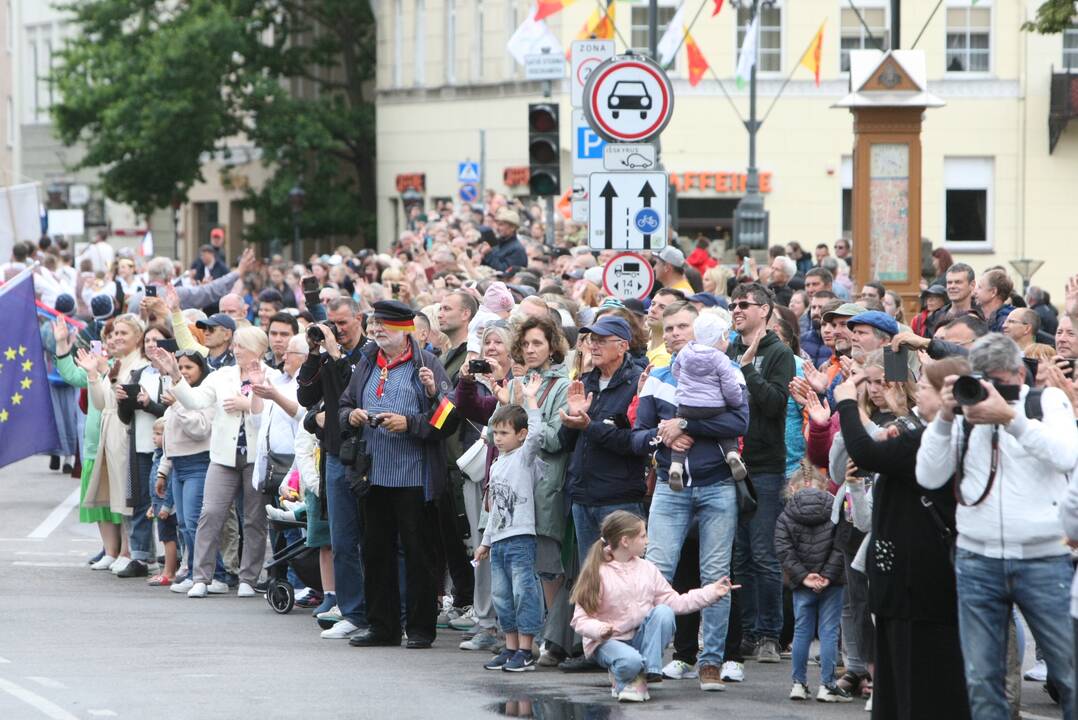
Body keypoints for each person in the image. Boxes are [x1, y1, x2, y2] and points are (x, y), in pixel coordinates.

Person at [917, 333, 1078, 719]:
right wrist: (943, 417)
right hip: (977, 559)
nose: (990, 389)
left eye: (1000, 381)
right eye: (983, 379)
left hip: (1043, 558)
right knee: (981, 679)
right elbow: (928, 475)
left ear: (1020, 374)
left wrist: (1011, 419)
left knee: (1069, 674)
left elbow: (1067, 455)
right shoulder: (963, 410)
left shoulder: (1044, 403)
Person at [632, 301, 750, 691]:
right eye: (669, 329)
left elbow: (740, 420)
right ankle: (646, 661)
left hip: (717, 486)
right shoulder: (658, 378)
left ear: (698, 332)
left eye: (683, 326)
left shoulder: (728, 371)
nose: (675, 334)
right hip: (670, 485)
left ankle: (711, 662)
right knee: (655, 573)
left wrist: (684, 423)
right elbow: (639, 433)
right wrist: (661, 436)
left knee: (715, 576)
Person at [339, 301, 456, 650]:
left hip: (414, 476)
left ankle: (420, 628)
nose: (376, 331)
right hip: (372, 474)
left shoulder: (426, 363)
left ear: (405, 330)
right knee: (375, 551)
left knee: (419, 553)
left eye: (384, 326)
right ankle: (382, 626)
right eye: (374, 325)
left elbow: (448, 418)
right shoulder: (366, 362)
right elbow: (344, 406)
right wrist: (353, 416)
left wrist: (410, 423)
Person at [152, 326, 279, 599]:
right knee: (210, 514)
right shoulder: (222, 375)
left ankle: (248, 577)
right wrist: (174, 374)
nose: (236, 350)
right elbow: (195, 401)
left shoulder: (274, 375)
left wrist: (248, 403)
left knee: (255, 519)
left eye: (242, 346)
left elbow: (273, 412)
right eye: (236, 346)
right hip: (223, 454)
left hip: (257, 457)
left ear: (258, 348)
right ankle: (201, 577)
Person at [570, 511, 737, 702]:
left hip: (638, 638)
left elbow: (676, 602)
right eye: (642, 536)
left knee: (664, 612)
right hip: (607, 642)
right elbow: (579, 620)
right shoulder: (597, 572)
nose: (647, 541)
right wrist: (600, 629)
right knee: (630, 662)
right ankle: (626, 673)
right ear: (625, 541)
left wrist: (711, 592)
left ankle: (645, 673)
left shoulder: (647, 569)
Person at [726, 283, 796, 664]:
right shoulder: (730, 349)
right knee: (740, 555)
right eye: (733, 304)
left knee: (764, 555)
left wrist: (749, 370)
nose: (736, 309)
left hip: (765, 465)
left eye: (744, 305)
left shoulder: (778, 353)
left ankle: (770, 634)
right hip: (730, 463)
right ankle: (748, 634)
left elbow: (773, 405)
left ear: (765, 311)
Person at [296, 296, 367, 639]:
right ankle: (352, 611)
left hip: (369, 455)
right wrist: (314, 353)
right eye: (332, 324)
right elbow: (306, 398)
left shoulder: (368, 354)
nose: (336, 330)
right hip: (337, 455)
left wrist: (337, 355)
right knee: (341, 540)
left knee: (372, 539)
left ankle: (376, 608)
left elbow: (352, 389)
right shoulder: (326, 355)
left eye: (342, 323)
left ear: (359, 318)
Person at [474, 377, 545, 672]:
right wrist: (485, 542)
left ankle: (527, 650)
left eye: (504, 433)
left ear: (520, 434)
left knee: (522, 592)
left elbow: (538, 435)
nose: (499, 438)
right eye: (496, 432)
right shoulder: (497, 463)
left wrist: (530, 400)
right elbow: (493, 510)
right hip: (500, 539)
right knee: (501, 596)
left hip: (521, 537)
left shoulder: (524, 458)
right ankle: (511, 646)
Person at [775, 463, 847, 703]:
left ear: (791, 488)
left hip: (802, 583)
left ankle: (798, 683)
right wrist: (827, 575)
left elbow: (784, 550)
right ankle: (827, 685)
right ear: (824, 485)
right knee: (829, 632)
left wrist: (804, 576)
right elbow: (841, 545)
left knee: (801, 632)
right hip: (832, 582)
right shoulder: (834, 509)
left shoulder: (786, 516)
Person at [55, 320, 124, 569]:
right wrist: (62, 343)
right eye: (109, 337)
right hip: (95, 445)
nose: (113, 341)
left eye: (119, 336)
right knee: (99, 502)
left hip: (118, 444)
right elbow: (71, 375)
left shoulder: (126, 367)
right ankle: (109, 550)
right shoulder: (93, 368)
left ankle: (125, 552)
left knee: (121, 503)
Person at [158, 349, 224, 595]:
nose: (184, 372)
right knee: (184, 524)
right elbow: (169, 435)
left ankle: (213, 574)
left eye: (189, 368)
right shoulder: (178, 396)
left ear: (201, 370)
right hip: (178, 464)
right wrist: (163, 471)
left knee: (197, 522)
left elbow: (200, 429)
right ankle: (196, 570)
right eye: (181, 367)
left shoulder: (204, 396)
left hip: (198, 462)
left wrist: (178, 405)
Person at [667, 313, 746, 490]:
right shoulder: (721, 359)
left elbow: (675, 370)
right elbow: (729, 385)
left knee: (683, 432)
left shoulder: (686, 351)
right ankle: (732, 454)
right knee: (724, 431)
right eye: (725, 337)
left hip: (687, 405)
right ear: (718, 338)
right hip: (714, 406)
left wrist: (685, 384)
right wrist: (734, 401)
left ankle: (676, 466)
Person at [147, 418, 179, 585]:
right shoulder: (158, 455)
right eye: (154, 433)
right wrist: (153, 506)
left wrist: (166, 506)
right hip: (159, 505)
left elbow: (171, 484)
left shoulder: (168, 459)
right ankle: (167, 570)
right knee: (166, 538)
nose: (154, 437)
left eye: (158, 434)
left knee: (169, 538)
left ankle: (169, 572)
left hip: (168, 507)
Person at [975, 268, 1015, 332]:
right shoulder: (977, 316)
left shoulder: (1005, 323)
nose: (975, 291)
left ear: (993, 292)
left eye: (979, 287)